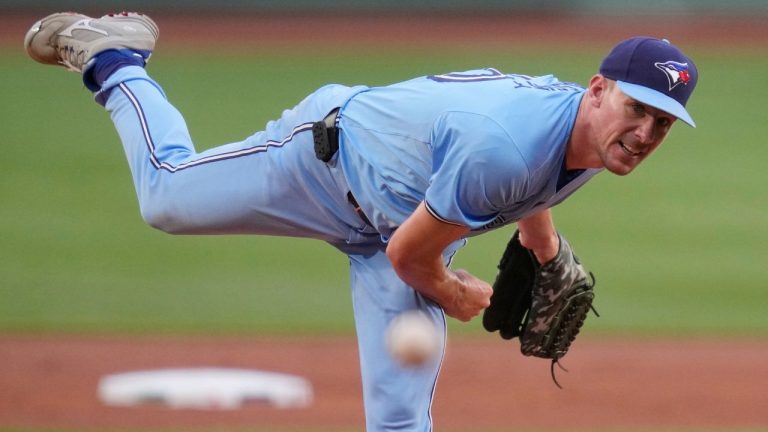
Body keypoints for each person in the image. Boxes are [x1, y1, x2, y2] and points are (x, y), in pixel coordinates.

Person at [24, 11, 698, 432]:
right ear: (599, 89)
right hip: (324, 167)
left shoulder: (590, 141)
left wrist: (544, 250)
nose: (643, 133)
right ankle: (117, 61)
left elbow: (522, 191)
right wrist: (453, 291)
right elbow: (416, 255)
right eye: (635, 109)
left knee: (401, 416)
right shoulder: (509, 145)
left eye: (660, 123)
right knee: (165, 199)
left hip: (401, 225)